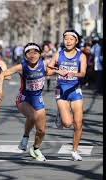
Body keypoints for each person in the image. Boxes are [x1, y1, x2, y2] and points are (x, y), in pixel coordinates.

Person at [0, 43, 57, 161]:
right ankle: (25, 137)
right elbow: (4, 74)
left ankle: (35, 149)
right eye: (29, 53)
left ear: (40, 54)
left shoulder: (44, 65)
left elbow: (53, 72)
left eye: (35, 53)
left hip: (38, 99)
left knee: (42, 130)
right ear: (25, 55)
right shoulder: (22, 67)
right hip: (23, 98)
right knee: (33, 116)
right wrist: (0, 89)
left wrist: (61, 72)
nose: (33, 55)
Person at [48, 30, 87, 161]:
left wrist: (72, 74)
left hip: (75, 90)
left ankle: (75, 150)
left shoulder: (81, 56)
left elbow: (83, 73)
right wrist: (59, 71)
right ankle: (60, 114)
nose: (68, 41)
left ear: (76, 41)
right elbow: (49, 67)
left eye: (71, 39)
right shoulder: (59, 54)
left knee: (78, 123)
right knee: (68, 123)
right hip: (61, 90)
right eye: (66, 39)